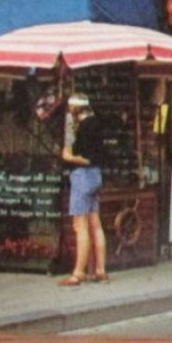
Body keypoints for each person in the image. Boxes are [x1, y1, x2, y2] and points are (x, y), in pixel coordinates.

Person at [59, 94, 109, 285]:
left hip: (83, 176)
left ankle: (78, 272)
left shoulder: (84, 128)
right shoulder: (97, 123)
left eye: (71, 106)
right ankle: (100, 270)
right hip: (96, 176)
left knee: (80, 226)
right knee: (95, 223)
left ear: (77, 108)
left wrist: (68, 157)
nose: (69, 109)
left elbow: (86, 158)